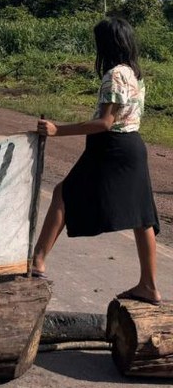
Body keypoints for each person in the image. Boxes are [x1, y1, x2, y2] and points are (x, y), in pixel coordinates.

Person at [32, 18, 162, 305]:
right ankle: (149, 286)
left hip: (111, 147)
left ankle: (37, 261)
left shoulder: (114, 75)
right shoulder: (134, 74)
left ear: (107, 44)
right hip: (133, 146)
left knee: (63, 193)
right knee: (143, 216)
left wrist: (56, 130)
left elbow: (104, 123)